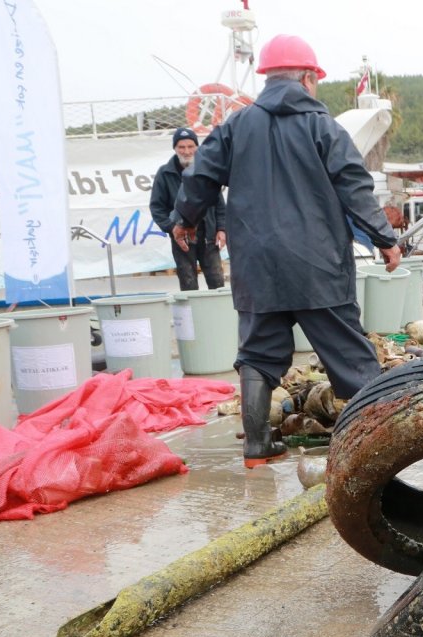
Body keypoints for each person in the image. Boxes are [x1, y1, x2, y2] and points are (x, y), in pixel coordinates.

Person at [170, 34, 401, 468]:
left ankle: (257, 447)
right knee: (351, 357)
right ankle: (376, 447)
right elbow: (354, 186)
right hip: (318, 266)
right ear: (308, 78)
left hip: (257, 268)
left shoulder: (235, 127)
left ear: (267, 78)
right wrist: (384, 237)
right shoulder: (323, 127)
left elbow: (199, 176)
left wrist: (184, 218)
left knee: (258, 354)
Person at [149, 128, 226, 291]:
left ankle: (220, 309)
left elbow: (219, 203)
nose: (186, 151)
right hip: (181, 238)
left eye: (191, 146)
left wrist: (222, 228)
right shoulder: (164, 173)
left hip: (209, 236)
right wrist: (172, 228)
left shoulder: (206, 169)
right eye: (181, 147)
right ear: (175, 148)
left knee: (217, 281)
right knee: (188, 282)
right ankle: (191, 309)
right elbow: (157, 207)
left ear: (197, 147)